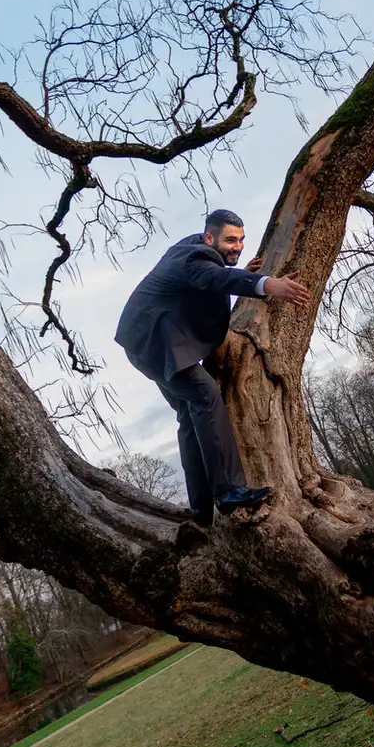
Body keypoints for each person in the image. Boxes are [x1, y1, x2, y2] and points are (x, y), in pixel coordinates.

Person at [116, 209, 312, 530]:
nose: (238, 246)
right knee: (205, 396)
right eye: (230, 240)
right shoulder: (197, 257)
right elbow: (214, 277)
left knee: (189, 414)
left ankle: (201, 511)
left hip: (143, 342)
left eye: (241, 240)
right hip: (159, 344)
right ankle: (229, 490)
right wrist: (265, 284)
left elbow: (212, 277)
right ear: (210, 238)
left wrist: (235, 272)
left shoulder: (194, 251)